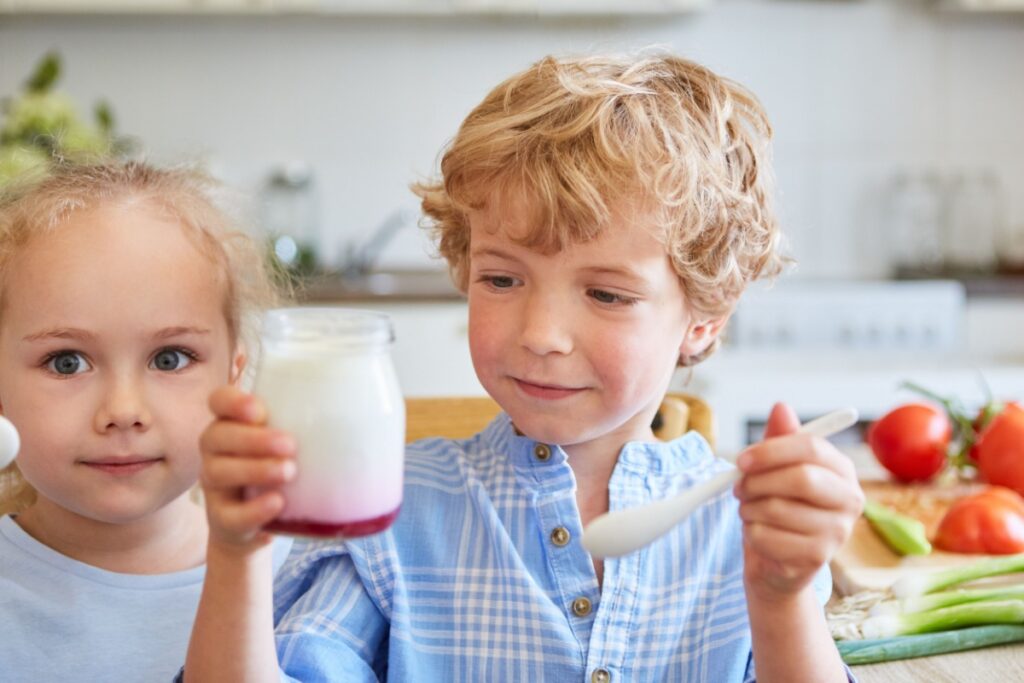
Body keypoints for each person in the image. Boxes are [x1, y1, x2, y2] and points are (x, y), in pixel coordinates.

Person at [185, 51, 864, 682]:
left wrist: (782, 598)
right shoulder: (395, 513)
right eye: (503, 280)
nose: (541, 335)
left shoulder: (744, 533)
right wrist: (239, 552)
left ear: (706, 315)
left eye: (605, 293)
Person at [0, 160, 291, 681]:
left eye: (170, 359)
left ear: (234, 375)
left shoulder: (301, 575)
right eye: (66, 362)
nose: (123, 412)